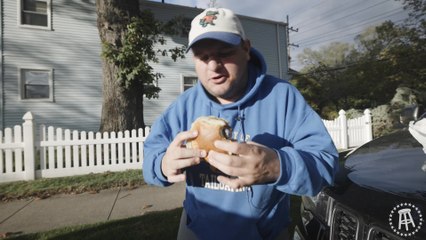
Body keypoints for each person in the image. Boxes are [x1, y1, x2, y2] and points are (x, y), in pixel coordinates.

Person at [143, 8, 339, 240]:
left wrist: (277, 166)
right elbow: (150, 162)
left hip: (266, 233)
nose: (213, 66)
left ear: (246, 49)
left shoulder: (282, 98)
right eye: (202, 57)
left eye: (224, 53)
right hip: (195, 230)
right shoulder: (184, 106)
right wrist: (163, 166)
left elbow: (326, 167)